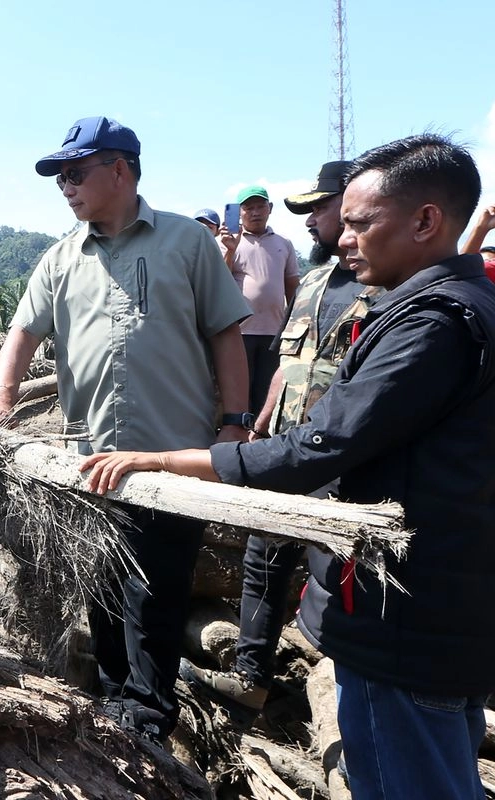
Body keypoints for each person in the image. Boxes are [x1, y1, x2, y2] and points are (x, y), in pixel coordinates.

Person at [82, 133, 495, 800]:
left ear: (425, 221)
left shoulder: (435, 325)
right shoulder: (452, 308)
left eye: (362, 223)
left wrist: (164, 458)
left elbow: (315, 451)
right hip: (437, 609)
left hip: (406, 620)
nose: (344, 237)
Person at [0, 115, 252, 744]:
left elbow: (226, 333)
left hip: (171, 457)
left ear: (121, 170)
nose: (66, 187)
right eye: (60, 179)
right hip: (89, 456)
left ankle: (150, 715)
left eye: (76, 174)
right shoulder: (60, 259)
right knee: (102, 583)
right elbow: (23, 333)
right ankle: (109, 697)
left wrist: (235, 423)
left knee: (158, 591)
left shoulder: (187, 244)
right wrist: (1, 397)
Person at [182, 160, 384, 721]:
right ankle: (251, 677)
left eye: (321, 207)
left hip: (348, 462)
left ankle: (347, 695)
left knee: (338, 572)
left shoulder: (390, 286)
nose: (314, 220)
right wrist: (261, 415)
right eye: (314, 211)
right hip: (288, 445)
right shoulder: (317, 280)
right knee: (263, 559)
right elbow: (289, 360)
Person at [220, 185, 301, 414]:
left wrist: (295, 323)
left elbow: (292, 286)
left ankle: (260, 437)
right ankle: (238, 437)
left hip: (274, 332)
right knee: (238, 390)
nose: (255, 212)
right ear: (240, 212)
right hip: (239, 331)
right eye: (248, 207)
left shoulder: (283, 244)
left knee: (266, 392)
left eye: (260, 206)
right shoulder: (227, 241)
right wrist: (229, 250)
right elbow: (218, 283)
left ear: (270, 208)